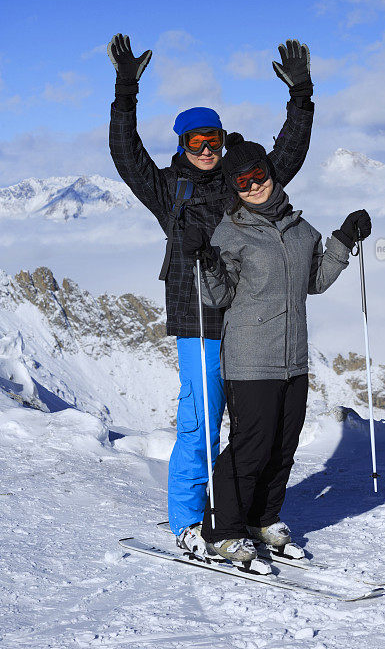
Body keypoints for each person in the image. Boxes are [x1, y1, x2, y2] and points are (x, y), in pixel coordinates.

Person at [107, 34, 315, 556]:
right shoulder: (167, 189)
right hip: (199, 318)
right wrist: (126, 89)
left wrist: (302, 96)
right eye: (195, 143)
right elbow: (125, 154)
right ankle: (187, 521)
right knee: (201, 423)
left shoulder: (239, 182)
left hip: (246, 322)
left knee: (254, 428)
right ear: (180, 145)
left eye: (213, 142)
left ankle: (243, 518)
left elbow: (286, 154)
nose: (206, 152)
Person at [183, 133, 371, 561]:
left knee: (284, 446)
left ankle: (262, 519)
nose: (253, 186)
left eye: (258, 175)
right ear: (234, 188)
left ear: (270, 172)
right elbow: (216, 297)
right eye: (242, 182)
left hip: (293, 358)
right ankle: (220, 532)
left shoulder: (302, 231)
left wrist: (343, 238)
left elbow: (315, 282)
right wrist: (207, 260)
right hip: (250, 360)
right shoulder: (230, 232)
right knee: (250, 447)